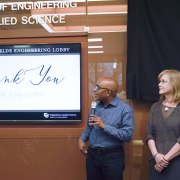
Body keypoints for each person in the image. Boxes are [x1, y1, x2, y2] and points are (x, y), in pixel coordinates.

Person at [78, 77, 134, 180]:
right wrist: (82, 139)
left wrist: (104, 126)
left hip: (113, 158)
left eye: (97, 87)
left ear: (108, 92)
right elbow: (89, 128)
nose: (94, 90)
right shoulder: (94, 106)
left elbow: (128, 136)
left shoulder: (125, 109)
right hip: (92, 157)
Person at [146, 69, 180, 179]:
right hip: (156, 162)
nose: (159, 84)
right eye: (159, 82)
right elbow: (149, 134)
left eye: (163, 81)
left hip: (176, 163)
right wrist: (156, 156)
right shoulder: (155, 107)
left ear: (174, 83)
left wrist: (164, 160)